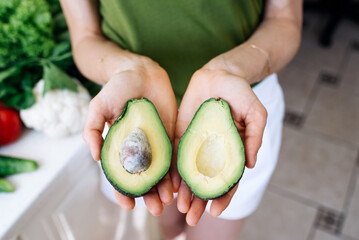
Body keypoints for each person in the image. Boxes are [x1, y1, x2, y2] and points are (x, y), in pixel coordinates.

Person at [60, 0, 302, 239]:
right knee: (167, 229)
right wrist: (125, 68)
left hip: (240, 107)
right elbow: (85, 36)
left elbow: (283, 18)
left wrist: (232, 69)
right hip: (127, 94)